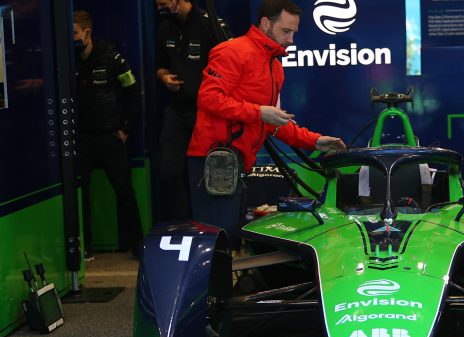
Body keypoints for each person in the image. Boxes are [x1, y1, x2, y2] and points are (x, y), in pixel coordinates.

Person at [186, 0, 346, 241]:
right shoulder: (232, 51)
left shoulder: (275, 68)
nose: (291, 40)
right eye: (286, 31)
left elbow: (273, 121)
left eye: (294, 32)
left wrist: (315, 141)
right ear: (265, 23)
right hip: (214, 162)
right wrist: (258, 112)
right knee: (216, 243)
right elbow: (208, 98)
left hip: (238, 164)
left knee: (230, 241)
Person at [73, 10, 144, 261]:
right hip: (82, 139)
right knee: (80, 193)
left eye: (75, 33)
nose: (72, 38)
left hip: (110, 136)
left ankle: (137, 243)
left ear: (87, 33)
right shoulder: (68, 61)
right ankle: (84, 246)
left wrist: (126, 129)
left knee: (125, 192)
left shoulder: (112, 58)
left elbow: (133, 92)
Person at [155, 0, 231, 221]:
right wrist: (164, 77)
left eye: (163, 2)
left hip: (208, 112)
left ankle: (213, 228)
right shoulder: (166, 28)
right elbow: (160, 66)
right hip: (178, 109)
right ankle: (183, 227)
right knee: (168, 171)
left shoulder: (211, 24)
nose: (159, 8)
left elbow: (234, 64)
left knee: (208, 175)